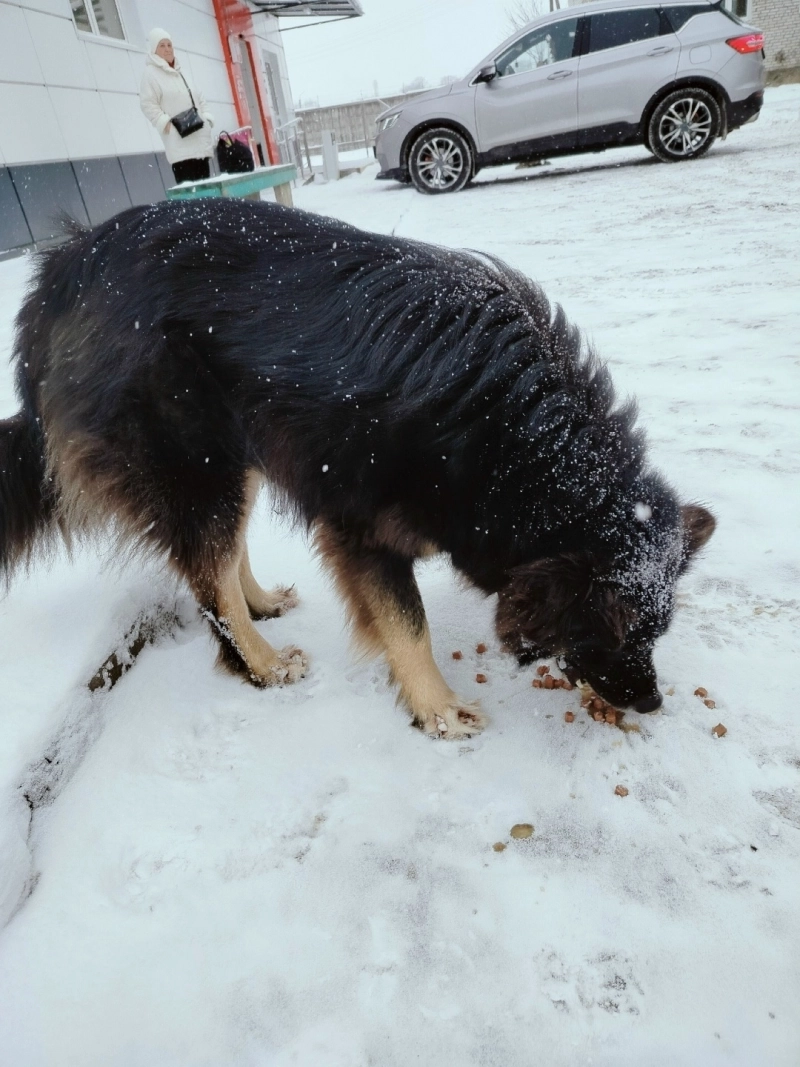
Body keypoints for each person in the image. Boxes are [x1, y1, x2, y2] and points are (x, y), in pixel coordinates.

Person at [139, 28, 214, 185]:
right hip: (179, 141)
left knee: (207, 191)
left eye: (169, 45)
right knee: (189, 193)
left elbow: (199, 96)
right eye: (162, 45)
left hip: (199, 137)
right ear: (153, 49)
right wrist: (163, 122)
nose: (167, 49)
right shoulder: (151, 74)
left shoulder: (182, 72)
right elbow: (147, 103)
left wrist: (206, 117)